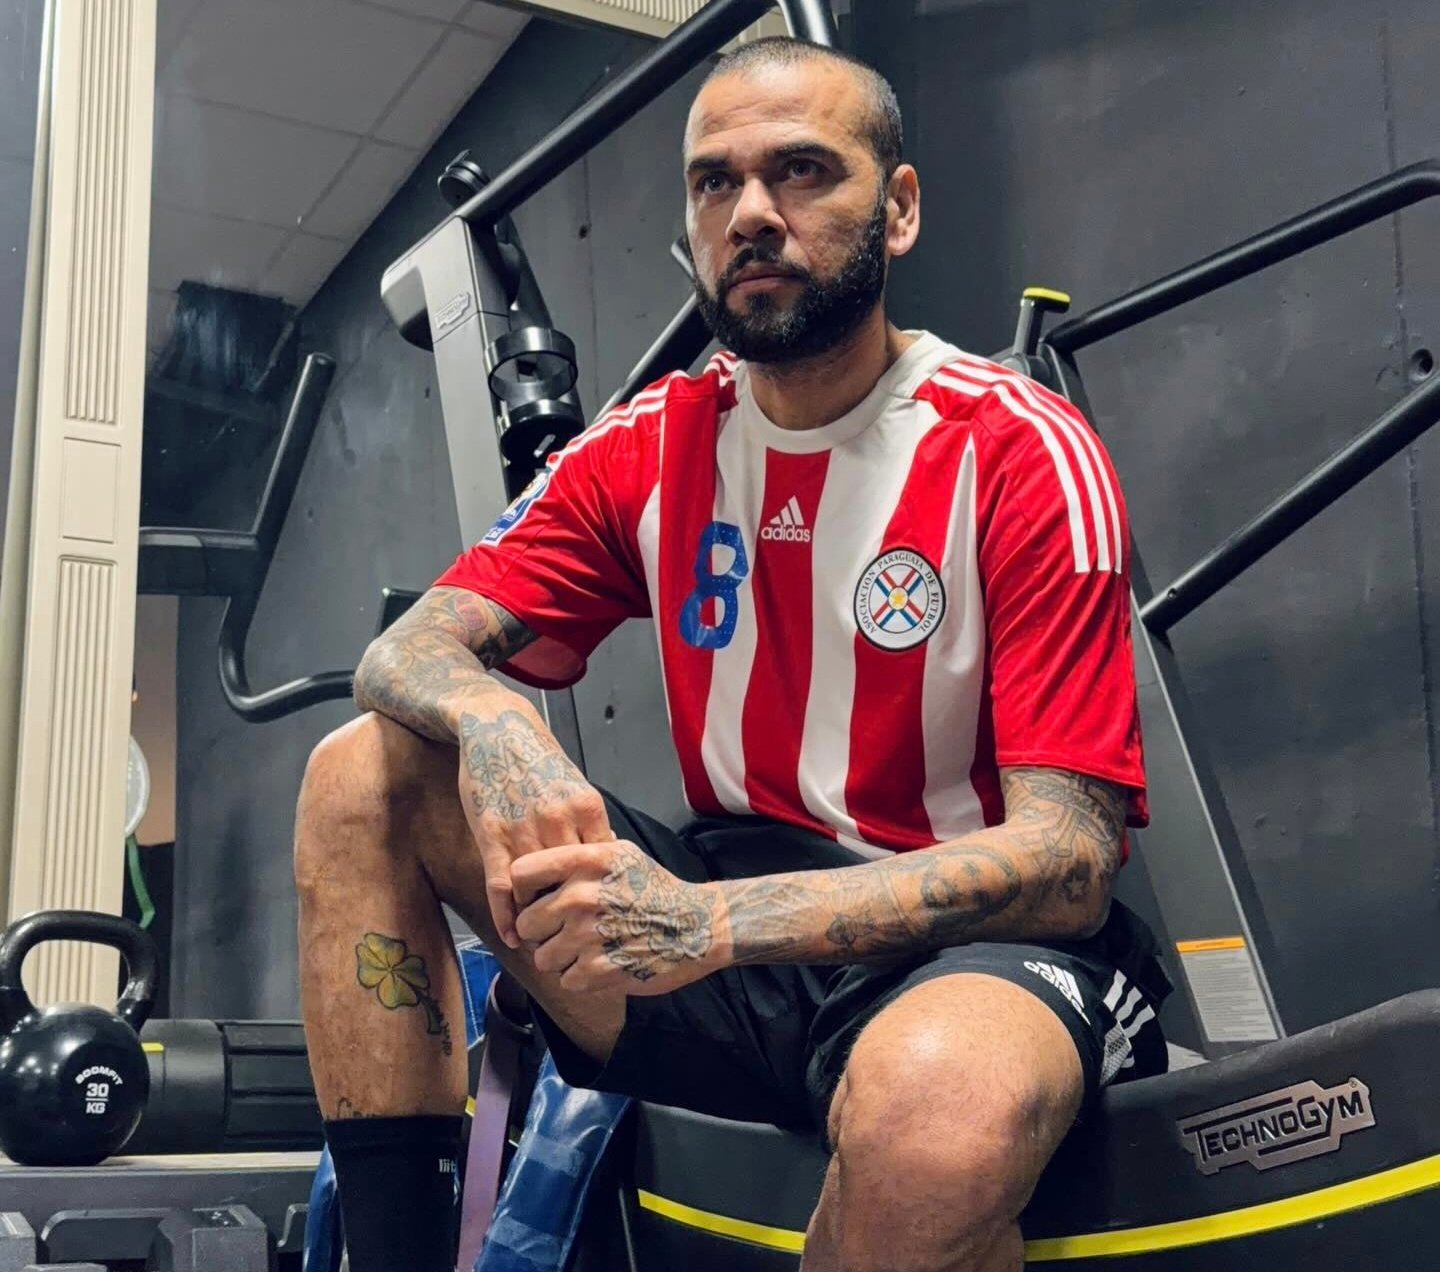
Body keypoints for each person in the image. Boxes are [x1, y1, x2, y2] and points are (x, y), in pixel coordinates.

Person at [295, 36, 1171, 1272]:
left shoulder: (1019, 448)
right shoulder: (648, 444)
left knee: (933, 1128)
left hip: (961, 951)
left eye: (800, 171)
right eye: (716, 182)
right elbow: (411, 648)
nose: (752, 212)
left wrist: (712, 923)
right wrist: (493, 720)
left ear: (899, 210)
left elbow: (1069, 862)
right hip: (716, 938)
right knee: (364, 772)